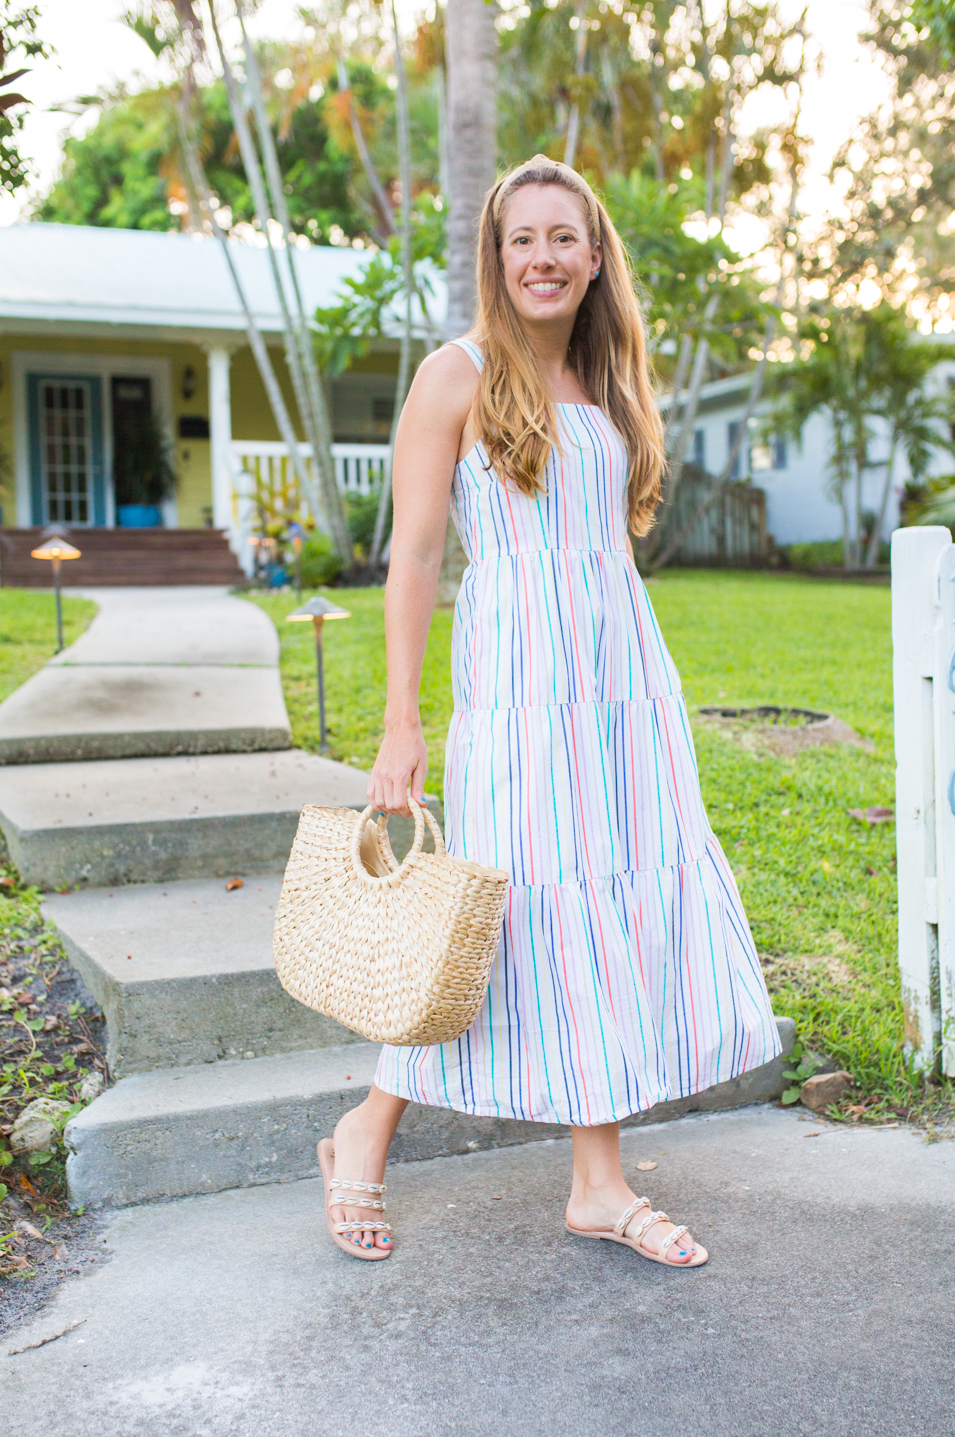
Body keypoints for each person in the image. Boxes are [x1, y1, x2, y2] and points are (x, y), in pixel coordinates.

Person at [317, 155, 780, 1267]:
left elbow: (604, 553)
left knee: (604, 919)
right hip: (519, 693)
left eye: (562, 237)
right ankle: (362, 1133)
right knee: (504, 922)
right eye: (521, 237)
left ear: (594, 255)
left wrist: (636, 687)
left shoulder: (610, 383)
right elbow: (416, 555)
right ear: (496, 256)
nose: (542, 257)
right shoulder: (456, 375)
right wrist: (400, 724)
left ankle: (596, 1185)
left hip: (621, 692)